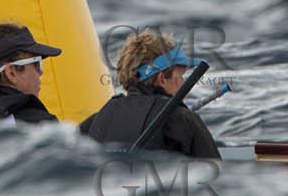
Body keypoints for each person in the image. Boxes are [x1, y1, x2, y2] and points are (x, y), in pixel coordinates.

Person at [80, 29, 220, 158]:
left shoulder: (95, 120)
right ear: (162, 78)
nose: (183, 82)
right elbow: (216, 173)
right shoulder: (182, 119)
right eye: (180, 76)